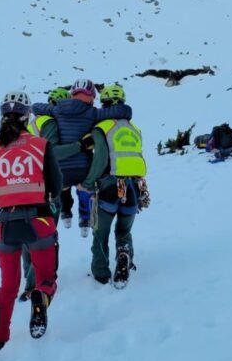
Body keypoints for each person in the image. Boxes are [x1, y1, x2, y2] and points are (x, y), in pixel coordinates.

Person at [0, 91, 62, 349]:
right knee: (46, 279)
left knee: (8, 286)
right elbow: (55, 185)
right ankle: (40, 296)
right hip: (40, 222)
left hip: (6, 225)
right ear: (27, 117)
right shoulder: (41, 145)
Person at [32, 79, 132, 238]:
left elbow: (36, 107)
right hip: (83, 170)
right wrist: (126, 111)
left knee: (57, 199)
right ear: (91, 96)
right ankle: (86, 221)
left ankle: (56, 226)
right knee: (89, 189)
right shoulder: (92, 113)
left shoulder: (56, 110)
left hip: (60, 172)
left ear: (72, 94)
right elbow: (119, 111)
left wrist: (50, 108)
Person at [80, 84, 149, 286]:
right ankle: (125, 254)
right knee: (124, 231)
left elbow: (100, 158)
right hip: (134, 187)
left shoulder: (102, 127)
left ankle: (101, 273)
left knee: (100, 234)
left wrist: (87, 183)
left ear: (104, 103)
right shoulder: (135, 129)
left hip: (109, 187)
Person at [19, 86, 84, 302]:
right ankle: (37, 284)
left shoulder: (33, 122)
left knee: (27, 236)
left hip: (26, 185)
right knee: (46, 236)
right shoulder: (49, 123)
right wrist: (78, 146)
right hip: (44, 188)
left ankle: (29, 282)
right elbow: (52, 151)